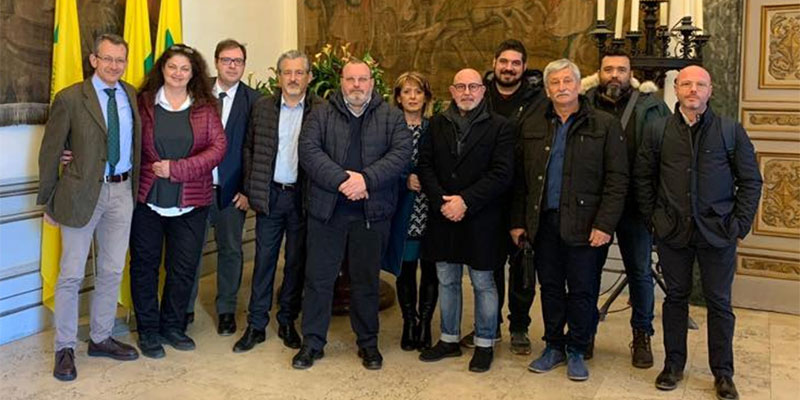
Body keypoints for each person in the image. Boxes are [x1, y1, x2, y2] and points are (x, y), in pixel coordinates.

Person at [636, 65, 762, 400]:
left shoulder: (730, 131)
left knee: (719, 302)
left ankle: (723, 373)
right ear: (676, 88)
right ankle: (673, 365)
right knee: (675, 298)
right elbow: (643, 179)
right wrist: (653, 220)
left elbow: (751, 181)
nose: (693, 90)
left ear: (711, 90)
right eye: (687, 84)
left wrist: (739, 225)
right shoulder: (657, 130)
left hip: (717, 232)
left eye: (700, 84)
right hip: (672, 231)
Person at [510, 59, 628, 381]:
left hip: (587, 226)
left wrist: (604, 225)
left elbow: (617, 180)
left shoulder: (604, 125)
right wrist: (518, 221)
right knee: (549, 288)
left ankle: (577, 348)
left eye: (567, 81)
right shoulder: (533, 124)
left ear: (579, 86)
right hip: (543, 223)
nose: (562, 87)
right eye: (555, 83)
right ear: (548, 90)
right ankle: (553, 346)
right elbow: (520, 179)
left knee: (582, 290)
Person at [292, 59, 411, 370]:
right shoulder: (321, 114)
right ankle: (312, 343)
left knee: (366, 282)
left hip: (372, 213)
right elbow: (308, 151)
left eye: (362, 79)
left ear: (372, 82)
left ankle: (368, 344)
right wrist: (344, 180)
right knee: (318, 280)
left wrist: (366, 180)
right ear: (341, 82)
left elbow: (401, 154)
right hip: (327, 212)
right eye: (350, 79)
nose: (357, 85)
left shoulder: (391, 116)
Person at [38, 33, 141, 381]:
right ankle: (64, 347)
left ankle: (100, 337)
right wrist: (49, 200)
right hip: (80, 194)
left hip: (122, 191)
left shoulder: (130, 94)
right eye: (107, 58)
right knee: (71, 274)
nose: (114, 65)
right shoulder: (70, 98)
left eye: (120, 60)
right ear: (94, 60)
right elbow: (51, 151)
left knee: (112, 270)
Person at [129, 44, 226, 359]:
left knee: (182, 269)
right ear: (162, 69)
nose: (178, 73)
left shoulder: (205, 108)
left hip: (191, 202)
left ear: (193, 73)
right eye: (172, 67)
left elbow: (218, 148)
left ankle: (172, 326)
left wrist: (177, 169)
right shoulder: (143, 103)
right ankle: (148, 330)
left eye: (185, 68)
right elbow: (121, 138)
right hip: (148, 201)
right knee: (144, 267)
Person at [417, 68, 515, 373]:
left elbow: (502, 173)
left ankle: (485, 343)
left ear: (483, 91)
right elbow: (425, 165)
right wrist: (442, 201)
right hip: (443, 215)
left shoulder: (501, 126)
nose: (467, 92)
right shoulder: (436, 123)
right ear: (452, 91)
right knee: (447, 280)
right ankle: (449, 339)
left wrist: (466, 201)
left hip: (482, 218)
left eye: (473, 86)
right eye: (461, 87)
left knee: (483, 282)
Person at [582, 49, 670, 366]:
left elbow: (665, 154)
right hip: (595, 205)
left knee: (640, 271)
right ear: (599, 73)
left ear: (630, 74)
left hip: (636, 205)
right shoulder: (584, 104)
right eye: (608, 69)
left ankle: (642, 335)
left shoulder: (651, 106)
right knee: (587, 272)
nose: (614, 75)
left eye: (621, 69)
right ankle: (585, 332)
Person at [234, 50, 323, 352]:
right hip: (270, 196)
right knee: (264, 262)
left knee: (296, 263)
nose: (293, 78)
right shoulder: (262, 108)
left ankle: (287, 320)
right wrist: (251, 188)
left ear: (309, 77)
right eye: (287, 72)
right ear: (279, 77)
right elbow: (249, 148)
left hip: (302, 198)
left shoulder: (321, 110)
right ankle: (256, 325)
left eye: (299, 72)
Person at [464, 38, 547, 355]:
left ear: (524, 67)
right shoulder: (479, 95)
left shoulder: (540, 100)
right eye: (504, 62)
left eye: (515, 63)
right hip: (487, 195)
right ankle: (490, 324)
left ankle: (520, 326)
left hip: (524, 192)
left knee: (523, 265)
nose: (509, 68)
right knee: (488, 265)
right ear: (494, 63)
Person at [185, 39, 261, 335]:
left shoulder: (255, 101)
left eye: (238, 61)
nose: (232, 66)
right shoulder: (196, 92)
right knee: (189, 251)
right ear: (216, 62)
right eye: (227, 60)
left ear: (244, 65)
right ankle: (184, 309)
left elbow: (258, 150)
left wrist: (248, 190)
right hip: (195, 190)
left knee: (231, 251)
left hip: (232, 193)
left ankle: (227, 310)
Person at [384, 71, 437, 351]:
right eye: (407, 92)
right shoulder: (389, 129)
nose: (413, 97)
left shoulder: (435, 128)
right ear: (398, 97)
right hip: (402, 207)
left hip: (431, 209)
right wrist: (404, 180)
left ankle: (425, 323)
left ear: (426, 97)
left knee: (430, 268)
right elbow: (380, 166)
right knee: (405, 268)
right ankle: (409, 321)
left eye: (418, 92)